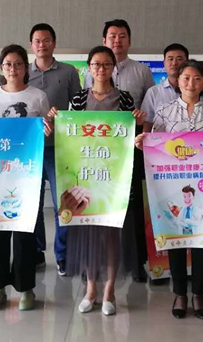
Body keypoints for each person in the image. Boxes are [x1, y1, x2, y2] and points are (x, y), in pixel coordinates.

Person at [136, 59, 203, 319]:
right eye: (186, 78)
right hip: (172, 183)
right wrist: (142, 142)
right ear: (177, 81)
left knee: (201, 236)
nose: (191, 83)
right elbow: (155, 144)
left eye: (197, 78)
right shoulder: (164, 111)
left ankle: (198, 292)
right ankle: (180, 292)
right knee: (175, 234)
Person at [64, 46, 146, 316]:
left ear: (113, 68)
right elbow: (70, 136)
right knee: (89, 235)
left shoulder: (125, 99)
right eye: (96, 64)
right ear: (89, 68)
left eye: (106, 64)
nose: (101, 69)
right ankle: (91, 289)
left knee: (112, 235)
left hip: (114, 178)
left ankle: (109, 290)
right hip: (86, 176)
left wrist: (140, 123)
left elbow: (131, 138)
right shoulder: (78, 99)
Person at [0, 44, 51, 311]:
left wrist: (48, 129)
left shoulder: (38, 96)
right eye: (8, 64)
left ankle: (26, 288)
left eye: (18, 64)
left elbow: (45, 132)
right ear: (1, 68)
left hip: (28, 173)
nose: (13, 69)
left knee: (25, 230)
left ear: (25, 67)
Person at [85, 19, 154, 282]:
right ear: (104, 40)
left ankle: (136, 263)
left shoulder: (142, 72)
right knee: (96, 209)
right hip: (92, 158)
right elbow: (78, 120)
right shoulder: (85, 84)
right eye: (112, 36)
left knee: (131, 208)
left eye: (122, 35)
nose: (117, 40)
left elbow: (147, 109)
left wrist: (140, 121)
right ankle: (97, 265)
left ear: (129, 40)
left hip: (125, 154)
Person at [28, 23, 81, 276]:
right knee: (32, 203)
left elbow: (78, 107)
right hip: (31, 149)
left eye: (46, 40)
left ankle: (63, 255)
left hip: (60, 148)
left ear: (54, 43)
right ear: (31, 45)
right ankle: (37, 251)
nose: (42, 45)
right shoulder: (23, 71)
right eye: (37, 41)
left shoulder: (69, 71)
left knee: (64, 203)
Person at [140, 43, 190, 132]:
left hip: (192, 140)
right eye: (170, 59)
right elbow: (147, 124)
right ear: (164, 62)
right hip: (161, 140)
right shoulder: (153, 92)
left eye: (179, 59)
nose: (174, 63)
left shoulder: (198, 92)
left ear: (187, 62)